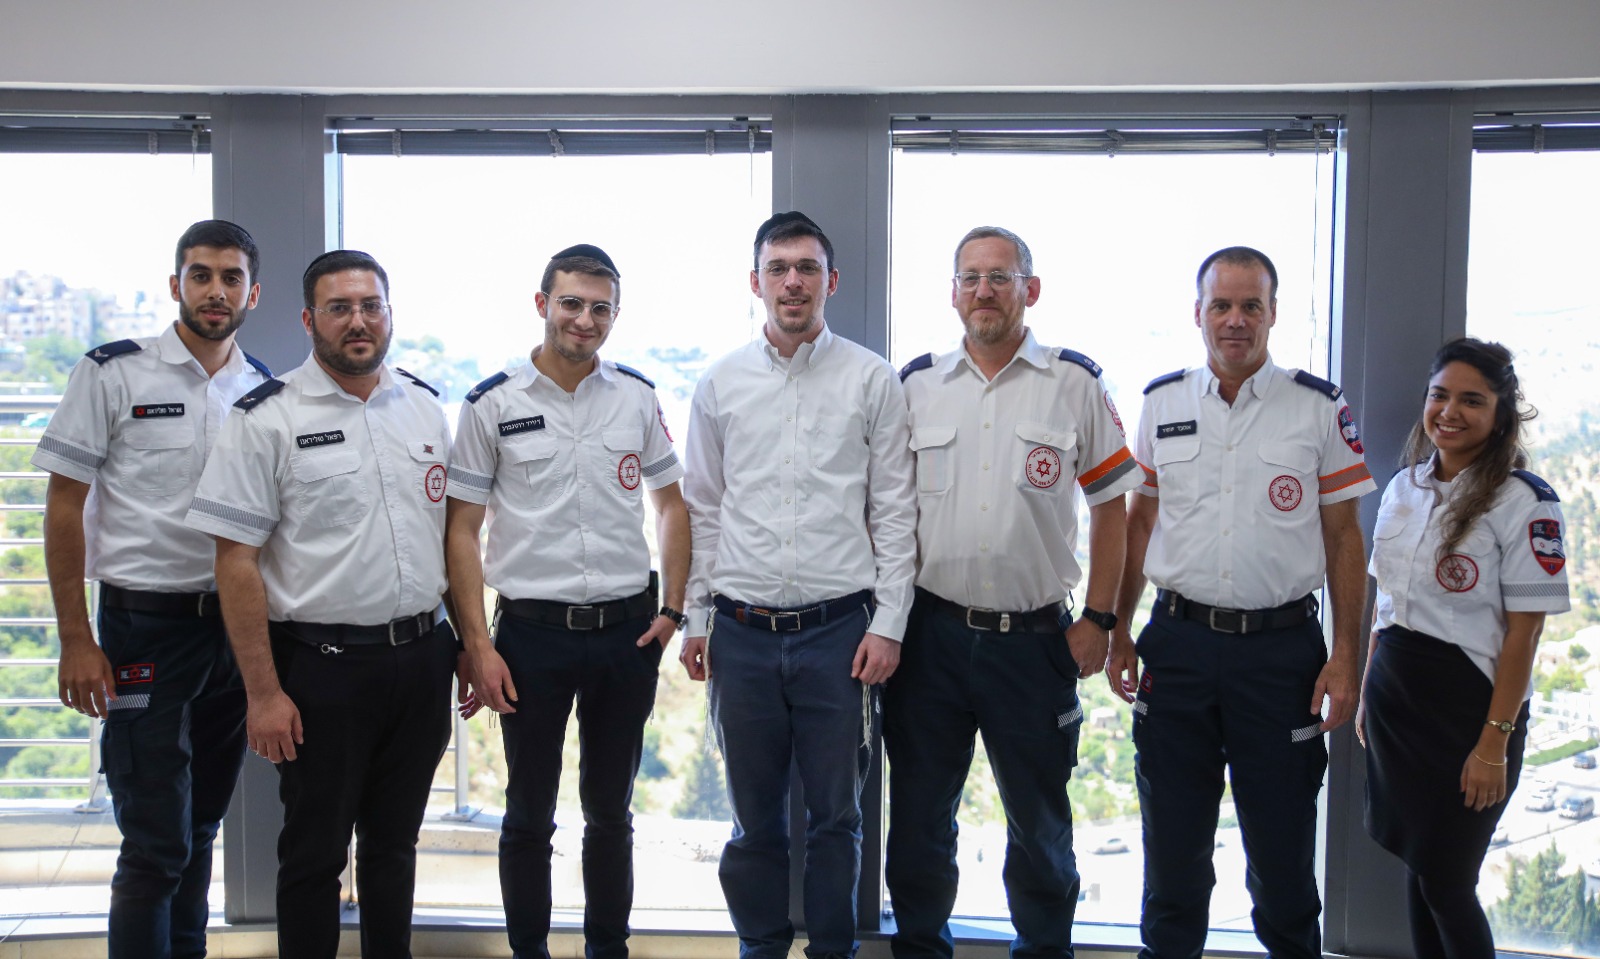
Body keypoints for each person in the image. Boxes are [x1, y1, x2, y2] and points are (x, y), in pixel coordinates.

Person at [184, 249, 468, 959]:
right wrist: (262, 693)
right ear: (310, 320)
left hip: (422, 659)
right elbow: (235, 560)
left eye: (371, 306)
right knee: (314, 853)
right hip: (321, 669)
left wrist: (472, 644)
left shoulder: (424, 406)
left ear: (390, 315)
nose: (358, 321)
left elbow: (453, 539)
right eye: (340, 308)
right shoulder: (266, 417)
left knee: (395, 846)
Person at [1107, 246, 1375, 959]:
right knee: (1173, 850)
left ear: (1272, 313)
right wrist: (1119, 628)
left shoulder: (1318, 407)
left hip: (1281, 656)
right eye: (1221, 305)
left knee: (1282, 855)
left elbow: (1345, 537)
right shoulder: (1162, 401)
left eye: (1250, 306)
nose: (1235, 320)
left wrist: (1347, 656)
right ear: (1197, 313)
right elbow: (1139, 521)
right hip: (1178, 646)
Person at [887, 226, 1142, 959]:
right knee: (920, 820)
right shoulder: (916, 386)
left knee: (1040, 824)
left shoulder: (1074, 384)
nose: (985, 291)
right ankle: (920, 949)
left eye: (1000, 277)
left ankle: (1044, 950)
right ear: (953, 293)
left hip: (1034, 643)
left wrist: (1101, 618)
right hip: (930, 639)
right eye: (970, 278)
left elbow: (1111, 506)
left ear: (1030, 289)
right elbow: (886, 511)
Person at [680, 211, 917, 959]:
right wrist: (695, 619)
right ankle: (760, 947)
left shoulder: (872, 379)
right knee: (754, 822)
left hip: (839, 635)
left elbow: (895, 511)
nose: (792, 282)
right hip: (741, 634)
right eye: (778, 268)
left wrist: (890, 623)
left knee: (837, 821)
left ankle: (832, 951)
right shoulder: (720, 383)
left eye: (807, 268)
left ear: (831, 281)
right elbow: (703, 510)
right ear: (755, 282)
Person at [446, 243, 689, 959]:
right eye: (571, 303)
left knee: (611, 813)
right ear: (542, 304)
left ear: (615, 315)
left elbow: (672, 505)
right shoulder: (492, 403)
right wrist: (477, 643)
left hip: (626, 633)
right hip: (530, 636)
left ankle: (607, 949)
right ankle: (530, 951)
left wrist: (673, 611)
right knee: (528, 813)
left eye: (600, 308)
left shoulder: (637, 397)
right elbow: (460, 530)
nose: (585, 319)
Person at [35, 219, 270, 959]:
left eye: (230, 278)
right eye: (201, 275)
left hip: (233, 633)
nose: (215, 290)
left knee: (200, 828)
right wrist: (76, 637)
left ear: (252, 294)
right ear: (176, 285)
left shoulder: (262, 390)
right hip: (144, 629)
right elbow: (63, 506)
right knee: (153, 844)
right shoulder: (113, 373)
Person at [1356, 337, 1568, 959]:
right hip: (1397, 701)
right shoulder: (1403, 487)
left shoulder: (1524, 502)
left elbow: (1525, 633)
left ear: (1501, 415)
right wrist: (1368, 693)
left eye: (1472, 400)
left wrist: (1493, 743)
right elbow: (1386, 606)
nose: (1450, 411)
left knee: (1448, 881)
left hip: (1469, 712)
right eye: (1439, 395)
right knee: (1420, 865)